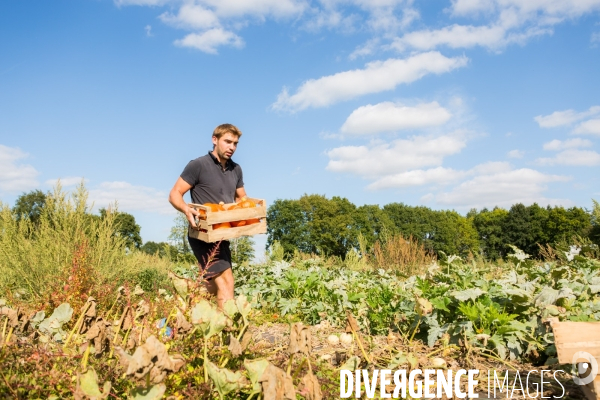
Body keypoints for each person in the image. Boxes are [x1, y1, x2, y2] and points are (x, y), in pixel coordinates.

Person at [168, 123, 247, 308]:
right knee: (226, 282)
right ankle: (225, 333)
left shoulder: (236, 170)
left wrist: (252, 209)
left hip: (223, 234)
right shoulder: (198, 165)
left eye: (235, 143)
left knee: (210, 287)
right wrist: (187, 209)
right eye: (227, 142)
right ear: (214, 140)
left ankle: (180, 316)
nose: (232, 147)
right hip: (203, 234)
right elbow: (174, 194)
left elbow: (242, 197)